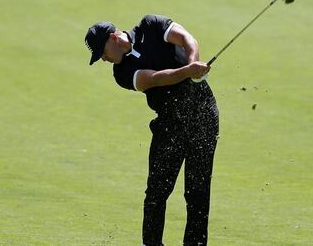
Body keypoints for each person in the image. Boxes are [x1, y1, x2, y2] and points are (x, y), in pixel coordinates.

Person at [84, 15, 218, 246]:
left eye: (102, 53)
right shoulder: (121, 73)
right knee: (157, 192)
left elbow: (187, 39)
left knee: (197, 191)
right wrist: (189, 71)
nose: (104, 59)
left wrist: (193, 63)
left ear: (113, 38)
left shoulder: (151, 25)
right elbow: (155, 79)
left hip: (202, 114)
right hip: (169, 123)